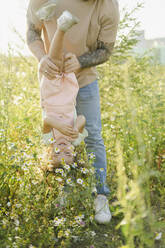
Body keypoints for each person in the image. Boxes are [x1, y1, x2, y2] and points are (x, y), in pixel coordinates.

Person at [26, 0, 120, 224]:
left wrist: (80, 62)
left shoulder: (108, 5)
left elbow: (106, 50)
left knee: (94, 137)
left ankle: (100, 194)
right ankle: (67, 193)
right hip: (53, 79)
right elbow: (32, 32)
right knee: (60, 152)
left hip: (84, 79)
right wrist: (41, 59)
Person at [37, 4, 88, 167]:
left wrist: (58, 126)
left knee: (54, 61)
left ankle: (61, 26)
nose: (63, 149)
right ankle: (47, 19)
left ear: (49, 153)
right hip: (68, 93)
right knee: (59, 57)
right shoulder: (74, 141)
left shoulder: (48, 139)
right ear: (74, 153)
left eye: (57, 154)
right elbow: (82, 118)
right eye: (67, 153)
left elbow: (47, 121)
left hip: (50, 95)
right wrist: (76, 129)